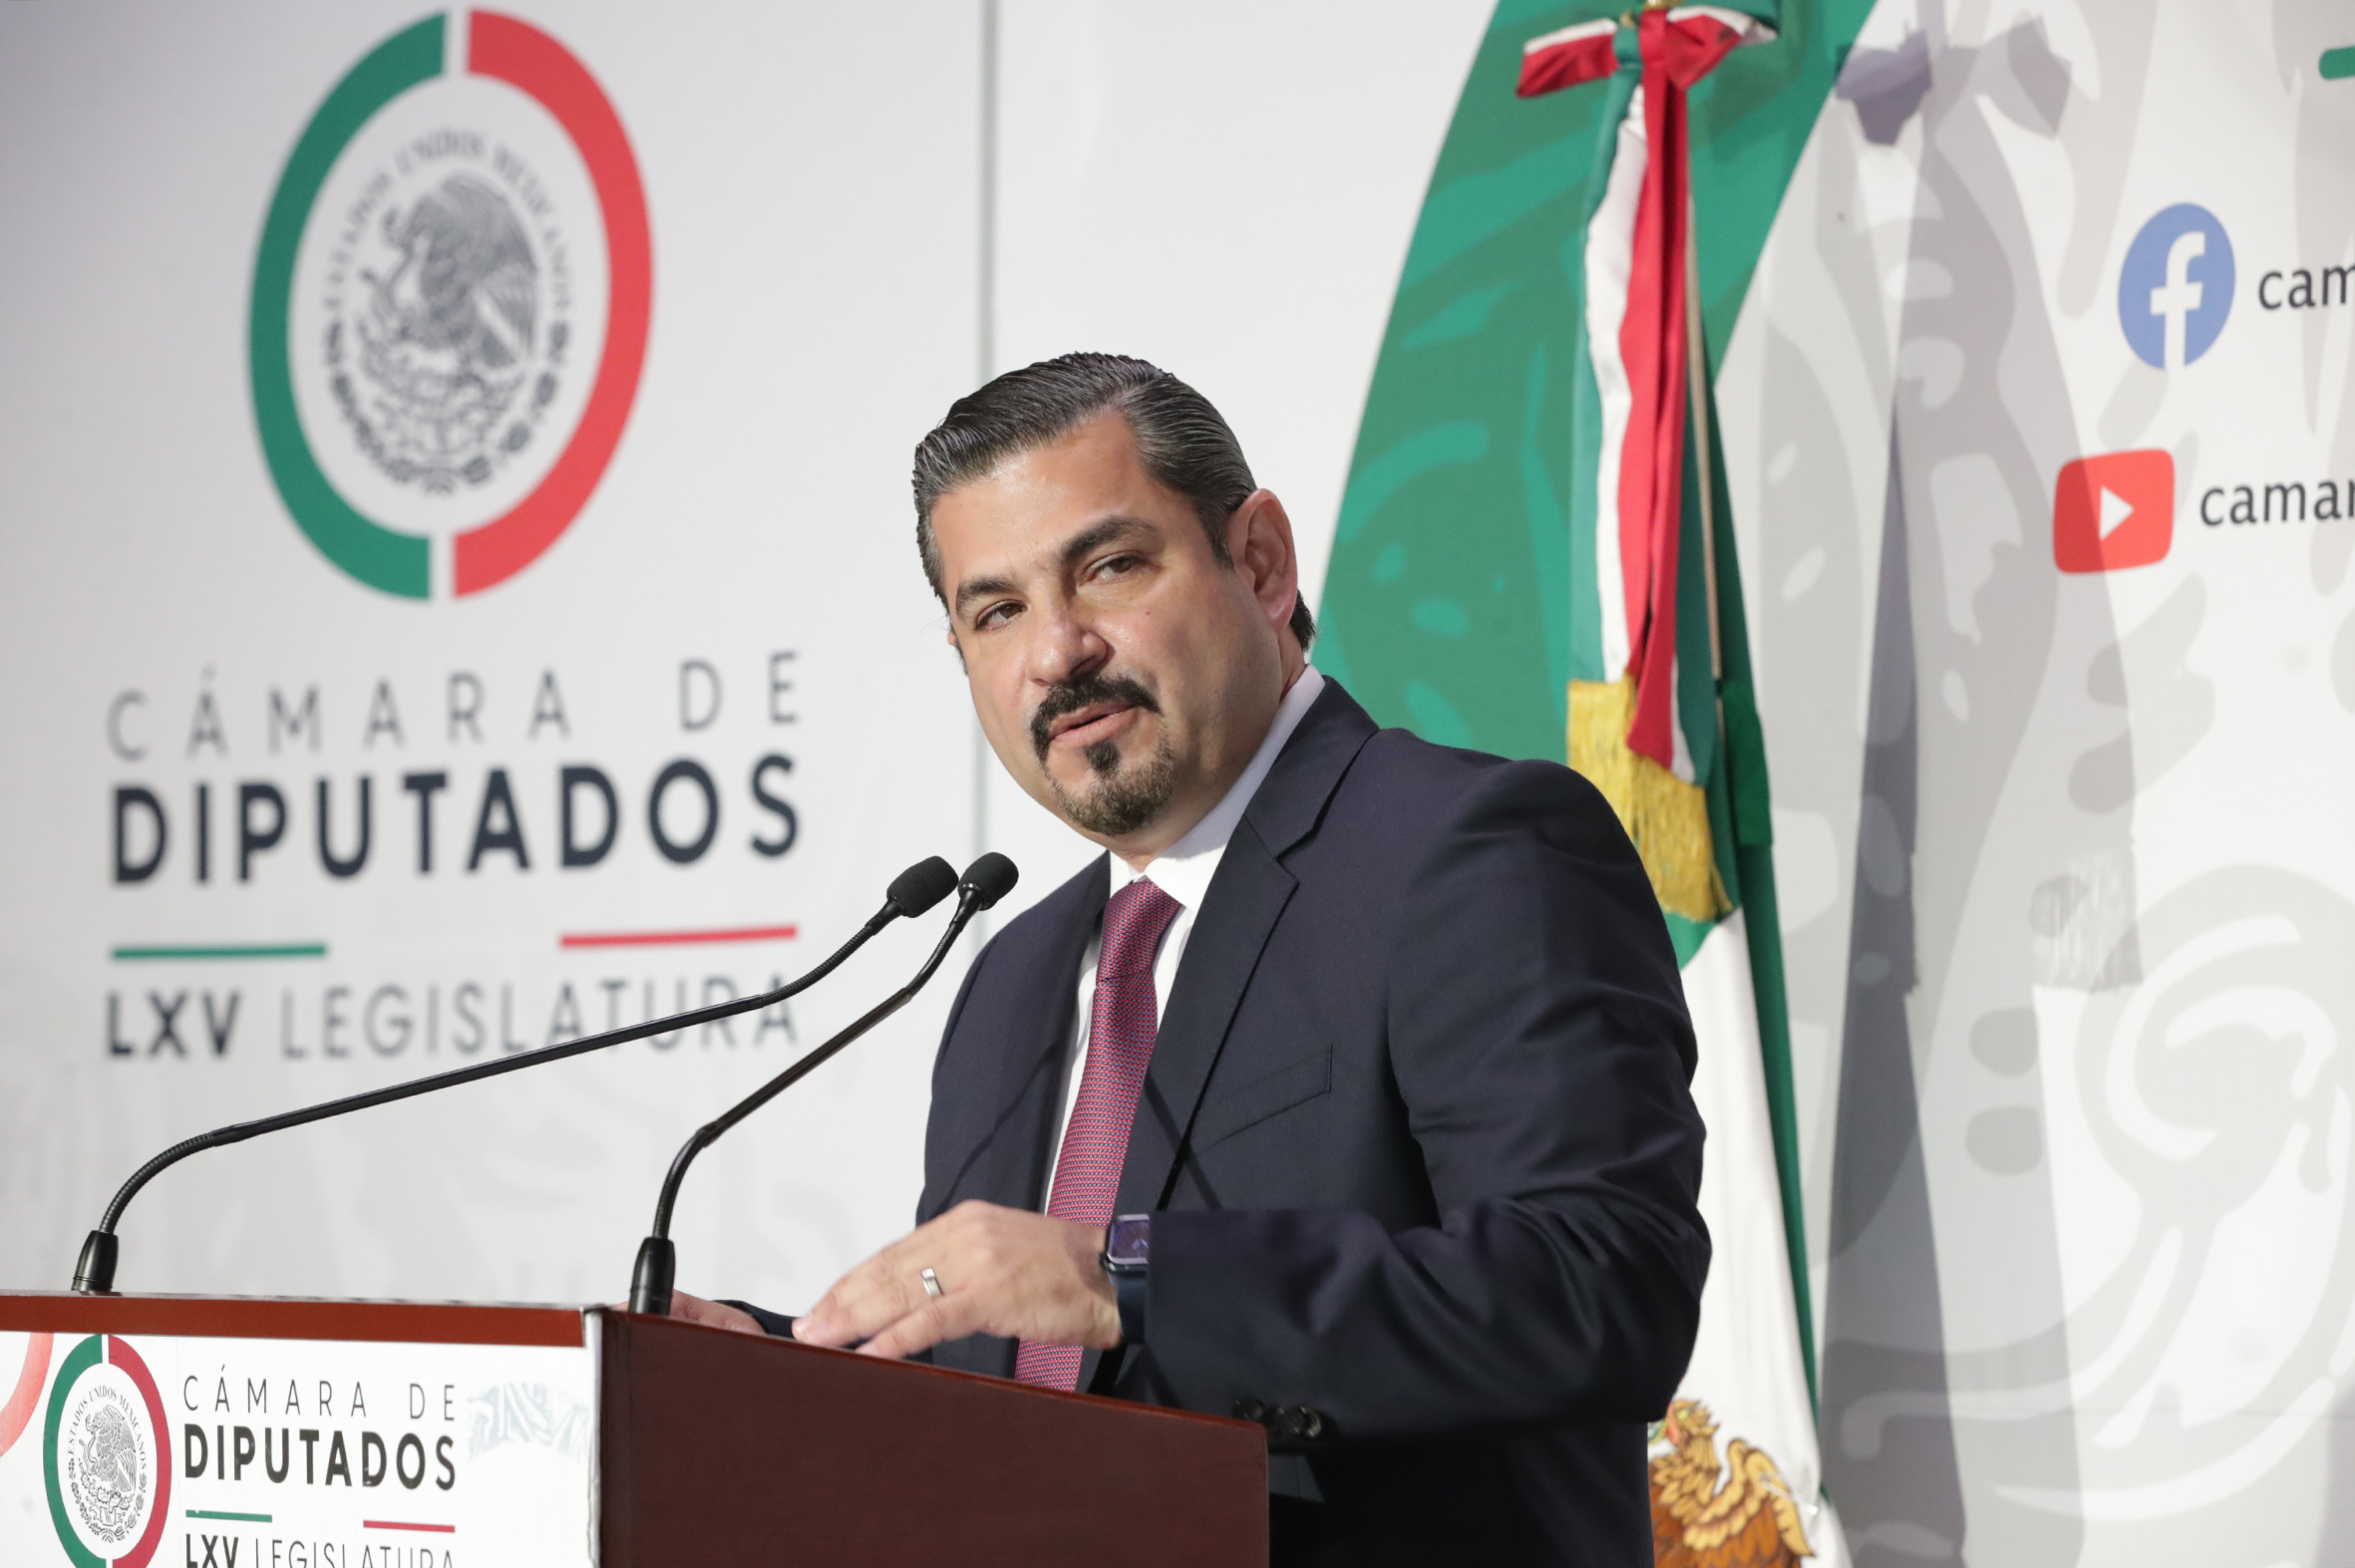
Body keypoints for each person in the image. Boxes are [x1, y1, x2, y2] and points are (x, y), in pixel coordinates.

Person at [666, 353, 1708, 1564]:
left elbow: (1600, 1287)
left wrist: (1127, 1274)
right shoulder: (1010, 977)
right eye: (996, 612)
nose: (1056, 651)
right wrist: (789, 1369)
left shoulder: (1467, 850)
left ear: (1258, 562)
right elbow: (1018, 1398)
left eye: (1107, 567)